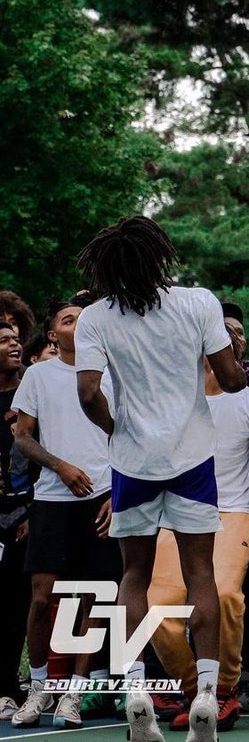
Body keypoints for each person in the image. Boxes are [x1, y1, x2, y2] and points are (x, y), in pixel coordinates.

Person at [74, 216, 248, 742]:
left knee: (134, 577)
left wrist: (116, 429)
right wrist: (234, 359)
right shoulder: (198, 302)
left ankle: (134, 687)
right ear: (159, 257)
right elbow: (235, 379)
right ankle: (207, 694)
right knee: (200, 576)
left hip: (132, 462)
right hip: (193, 457)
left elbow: (87, 394)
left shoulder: (95, 317)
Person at [148, 330, 249, 733]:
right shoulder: (175, 399)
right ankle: (195, 692)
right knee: (157, 609)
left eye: (229, 340)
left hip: (231, 515)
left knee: (224, 595)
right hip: (175, 515)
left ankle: (223, 691)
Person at [11, 299, 120, 729]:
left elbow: (126, 435)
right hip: (53, 499)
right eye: (68, 319)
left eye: (84, 316)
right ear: (53, 334)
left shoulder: (111, 372)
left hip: (103, 498)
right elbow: (23, 438)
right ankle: (40, 687)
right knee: (42, 598)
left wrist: (121, 492)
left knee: (94, 599)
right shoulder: (39, 375)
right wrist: (61, 467)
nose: (80, 322)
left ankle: (74, 693)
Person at [0, 321, 31, 723]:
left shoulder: (32, 390)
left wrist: (36, 510)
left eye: (16, 339)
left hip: (28, 510)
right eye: (4, 340)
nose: (14, 344)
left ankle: (10, 688)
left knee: (18, 605)